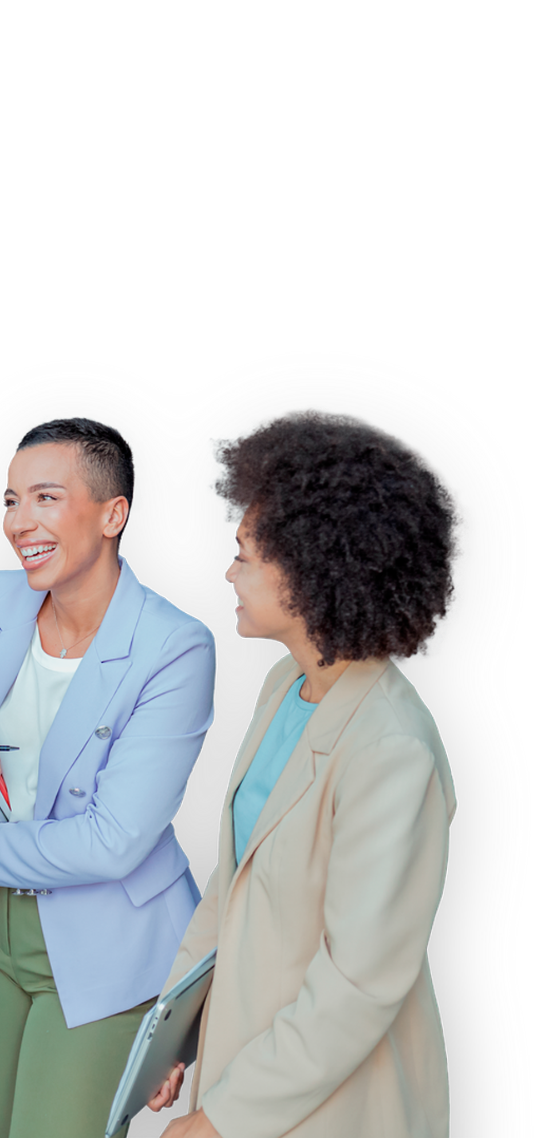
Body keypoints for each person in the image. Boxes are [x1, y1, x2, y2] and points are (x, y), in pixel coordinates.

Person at [148, 407, 465, 1137]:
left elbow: (359, 984)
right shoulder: (283, 685)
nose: (228, 572)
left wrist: (225, 1118)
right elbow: (232, 884)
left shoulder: (392, 749)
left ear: (317, 573)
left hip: (335, 1105)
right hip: (245, 1059)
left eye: (247, 557)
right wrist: (170, 1036)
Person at [0, 415, 216, 1138]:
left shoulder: (175, 646)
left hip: (106, 933)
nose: (21, 522)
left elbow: (113, 840)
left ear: (113, 514)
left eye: (46, 498)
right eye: (10, 501)